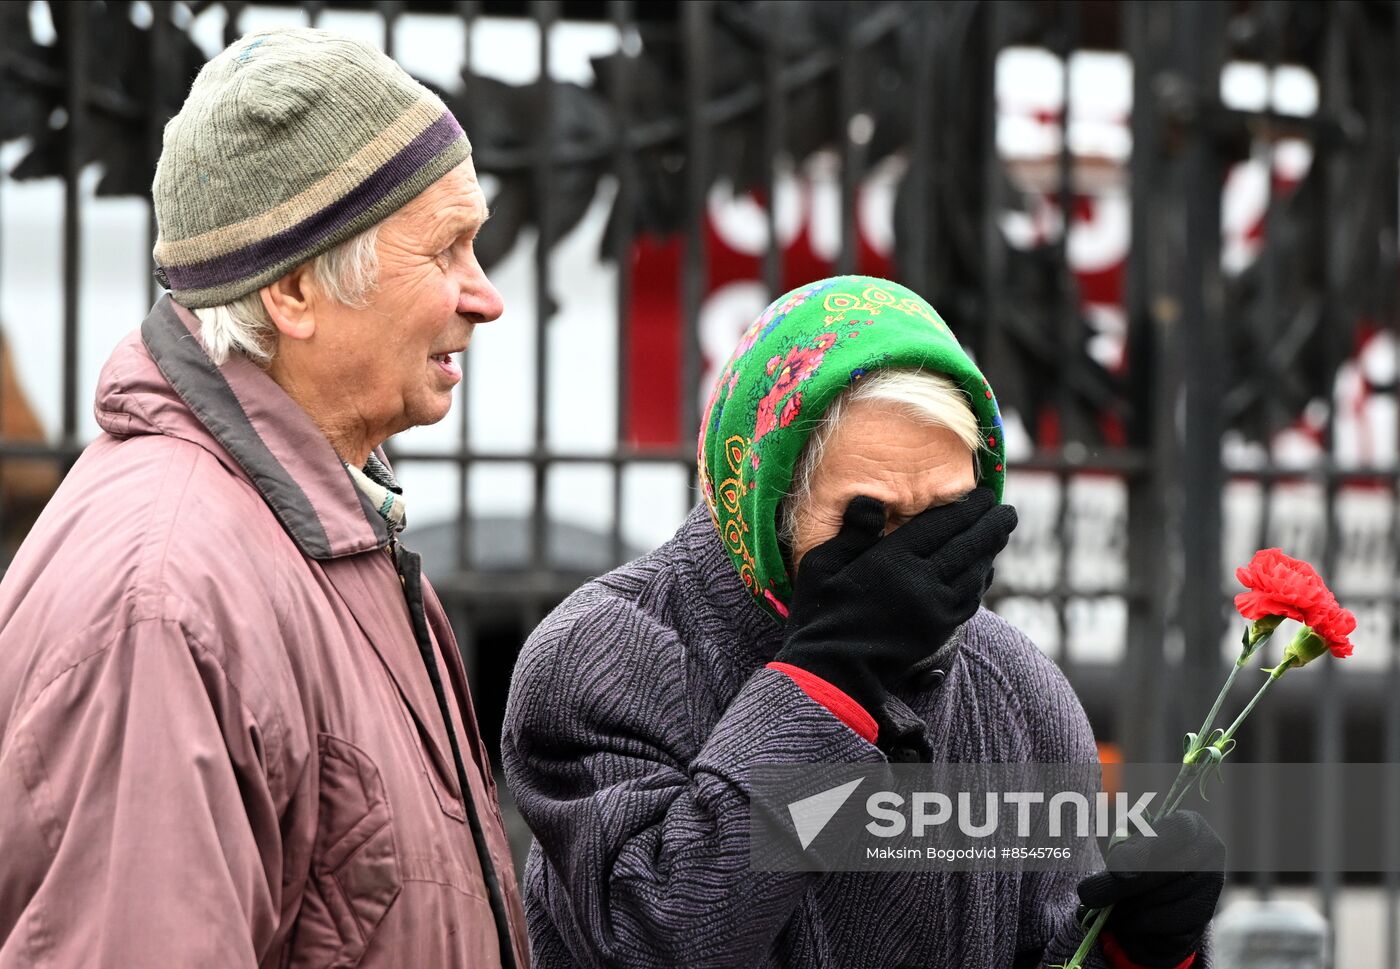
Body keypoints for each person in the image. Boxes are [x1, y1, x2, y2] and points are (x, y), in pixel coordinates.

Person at [502, 276, 1224, 968]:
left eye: (945, 515)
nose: (911, 564)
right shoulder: (603, 657)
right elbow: (657, 937)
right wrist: (829, 678)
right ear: (767, 503)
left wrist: (1137, 949)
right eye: (871, 518)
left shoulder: (1015, 689)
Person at [0, 28, 526, 969]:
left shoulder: (309, 526)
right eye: (445, 248)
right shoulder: (164, 606)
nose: (483, 297)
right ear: (293, 290)